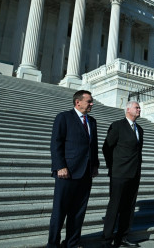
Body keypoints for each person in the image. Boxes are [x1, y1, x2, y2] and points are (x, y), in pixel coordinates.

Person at [47, 90, 99, 248]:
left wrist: (95, 165)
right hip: (66, 173)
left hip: (85, 173)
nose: (91, 104)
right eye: (89, 101)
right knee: (59, 212)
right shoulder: (64, 117)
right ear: (78, 102)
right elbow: (56, 143)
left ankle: (72, 243)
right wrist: (60, 166)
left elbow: (93, 146)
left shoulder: (92, 121)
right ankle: (53, 244)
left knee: (78, 212)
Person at [102, 101, 143, 247]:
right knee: (115, 206)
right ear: (127, 109)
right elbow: (106, 147)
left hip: (134, 174)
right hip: (119, 173)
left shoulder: (140, 129)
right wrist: (112, 167)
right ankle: (107, 238)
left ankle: (123, 236)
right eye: (136, 107)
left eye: (139, 107)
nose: (139, 109)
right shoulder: (117, 125)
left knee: (129, 207)